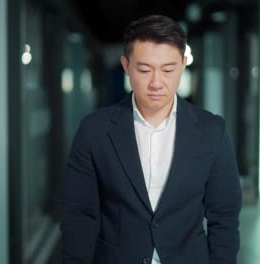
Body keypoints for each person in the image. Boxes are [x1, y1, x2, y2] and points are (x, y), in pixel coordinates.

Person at [60, 14, 242, 264]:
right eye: (144, 70)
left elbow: (225, 217)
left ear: (183, 63)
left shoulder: (212, 130)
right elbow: (79, 215)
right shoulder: (94, 130)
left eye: (168, 70)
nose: (156, 82)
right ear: (126, 65)